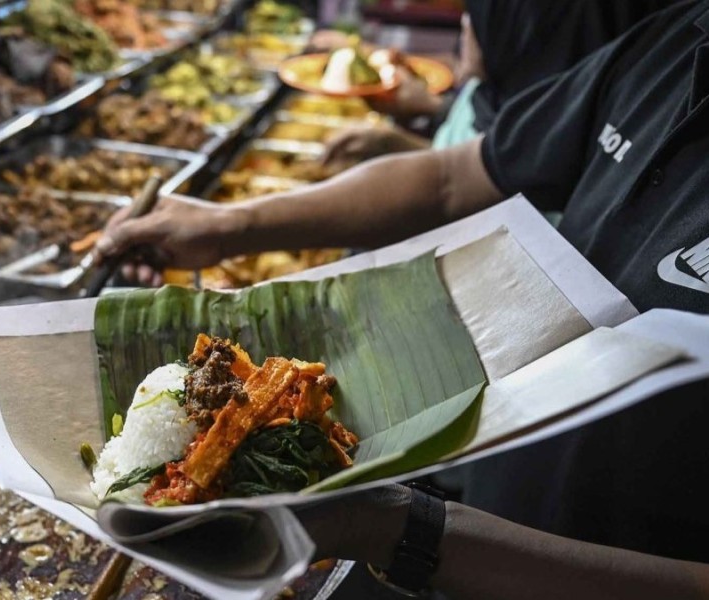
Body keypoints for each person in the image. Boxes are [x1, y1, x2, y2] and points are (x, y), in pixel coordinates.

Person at [93, 0, 709, 595]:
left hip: (509, 552)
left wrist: (395, 528)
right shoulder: (675, 44)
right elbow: (451, 179)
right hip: (484, 509)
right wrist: (230, 226)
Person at [323, 0, 674, 167]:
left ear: (516, 33)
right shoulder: (497, 93)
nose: (464, 27)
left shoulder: (543, 160)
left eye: (474, 14)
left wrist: (396, 146)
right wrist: (424, 113)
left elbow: (467, 185)